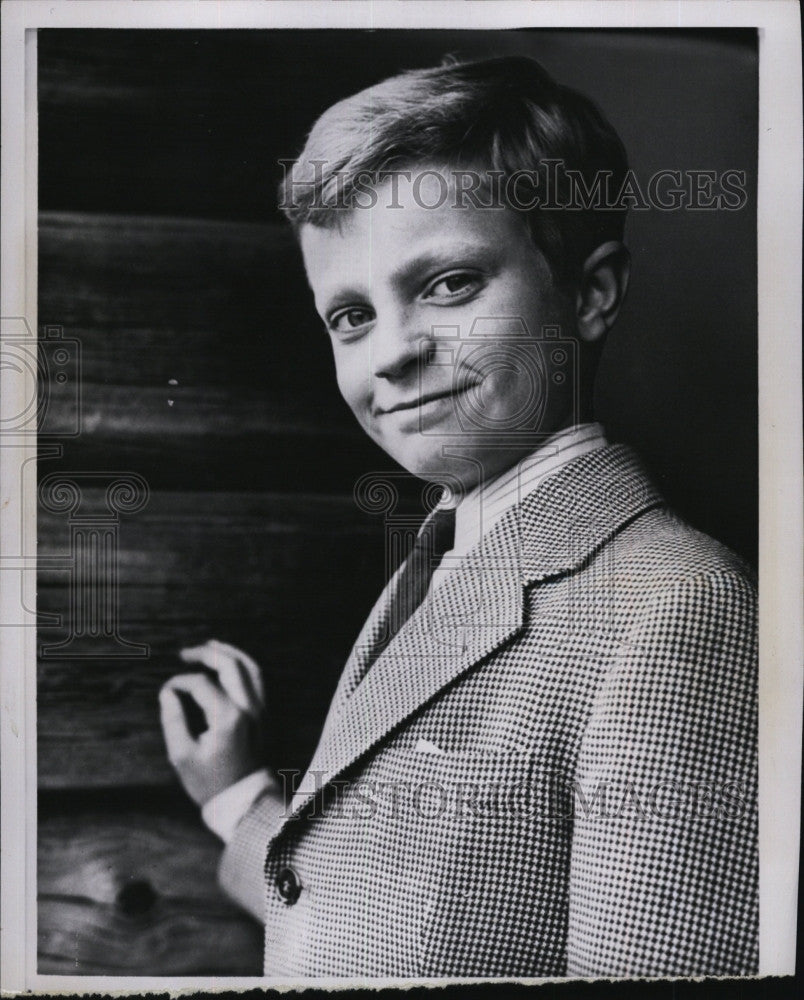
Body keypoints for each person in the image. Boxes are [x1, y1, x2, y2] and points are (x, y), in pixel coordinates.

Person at [159, 56, 758, 978]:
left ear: (590, 293)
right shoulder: (445, 562)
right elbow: (354, 901)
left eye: (448, 284)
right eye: (351, 316)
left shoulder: (677, 609)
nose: (391, 352)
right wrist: (237, 798)